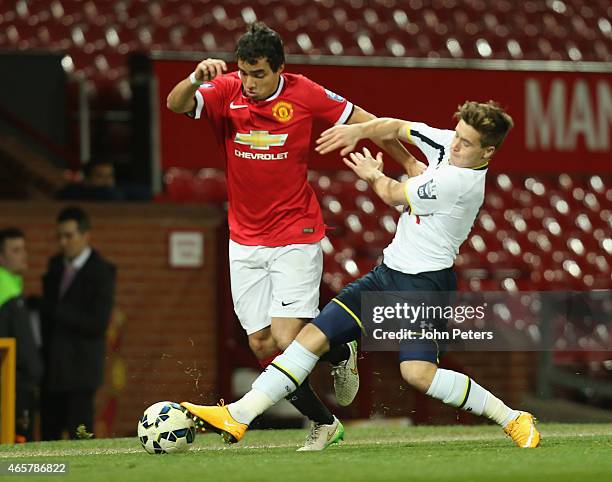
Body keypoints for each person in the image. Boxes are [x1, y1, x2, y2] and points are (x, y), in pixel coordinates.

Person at [180, 101, 542, 449]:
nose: (456, 144)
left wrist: (374, 174)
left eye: (466, 143)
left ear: (488, 153)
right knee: (310, 337)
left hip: (423, 286)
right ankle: (239, 415)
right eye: (458, 135)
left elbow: (393, 194)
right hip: (386, 275)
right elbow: (395, 126)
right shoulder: (449, 142)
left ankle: (512, 417)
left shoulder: (460, 184)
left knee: (417, 375)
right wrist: (361, 131)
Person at [167, 23, 422, 450]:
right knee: (261, 343)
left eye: (259, 74)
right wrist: (195, 79)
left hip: (295, 232)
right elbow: (176, 105)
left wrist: (409, 163)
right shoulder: (225, 90)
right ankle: (326, 418)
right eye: (244, 73)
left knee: (288, 338)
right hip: (244, 239)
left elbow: (370, 122)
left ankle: (339, 350)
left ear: (280, 69)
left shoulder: (305, 93)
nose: (249, 83)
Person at [40, 206, 116, 440]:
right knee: (48, 435)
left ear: (85, 235)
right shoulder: (54, 265)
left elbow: (98, 323)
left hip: (81, 369)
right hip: (51, 367)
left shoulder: (102, 271)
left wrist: (55, 310)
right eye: (59, 236)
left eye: (69, 236)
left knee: (79, 435)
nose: (63, 242)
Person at [0, 228, 43, 442]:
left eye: (23, 249)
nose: (24, 255)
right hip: (14, 386)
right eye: (16, 250)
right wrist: (34, 372)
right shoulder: (6, 293)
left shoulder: (13, 288)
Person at [57, 160, 124, 201]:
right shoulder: (73, 195)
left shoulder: (120, 194)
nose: (106, 180)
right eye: (100, 176)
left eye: (110, 176)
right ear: (87, 180)